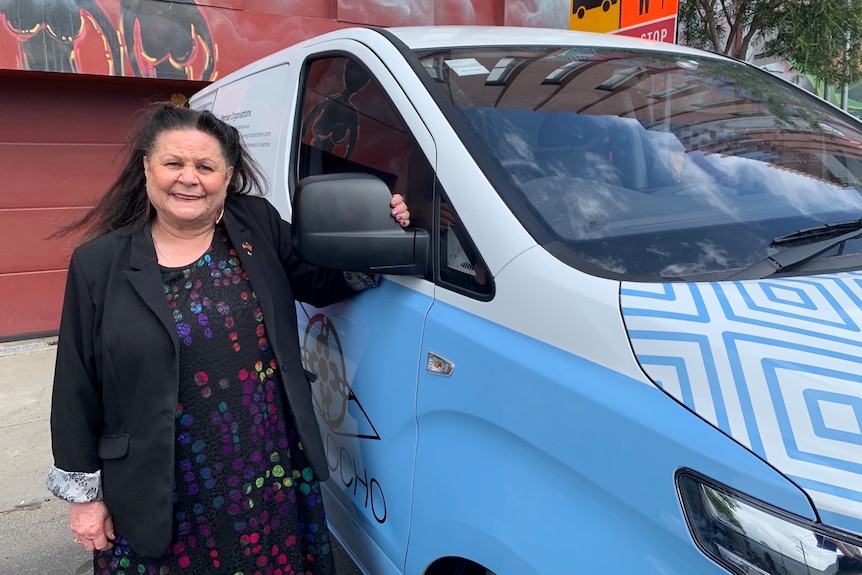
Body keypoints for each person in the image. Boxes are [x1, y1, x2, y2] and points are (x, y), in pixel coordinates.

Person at [45, 102, 410, 575]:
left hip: (264, 472)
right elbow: (76, 384)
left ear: (228, 174)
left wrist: (375, 232)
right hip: (160, 486)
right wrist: (84, 499)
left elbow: (320, 282)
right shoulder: (99, 264)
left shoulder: (256, 224)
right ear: (147, 167)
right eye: (173, 163)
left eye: (205, 166)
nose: (188, 178)